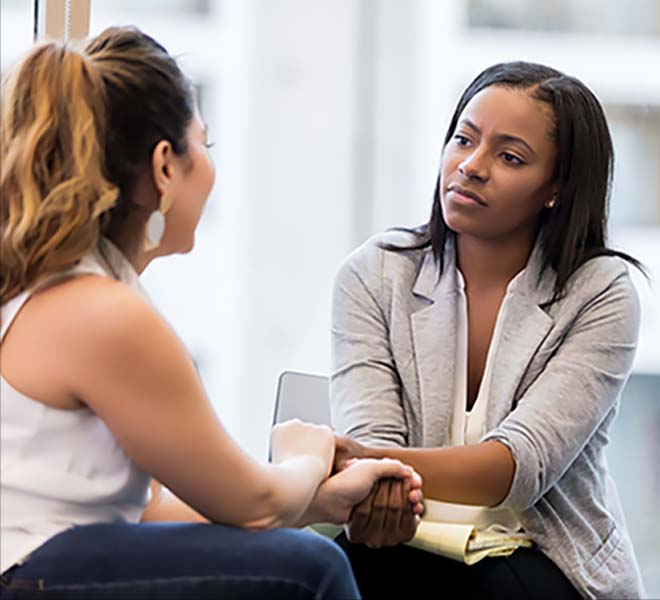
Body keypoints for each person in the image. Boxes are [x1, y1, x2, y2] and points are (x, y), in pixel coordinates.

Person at [0, 26, 424, 599]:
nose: (211, 167)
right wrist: (306, 454)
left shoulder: (66, 288)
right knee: (312, 570)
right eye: (206, 145)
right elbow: (254, 502)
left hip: (47, 566)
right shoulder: (101, 313)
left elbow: (146, 513)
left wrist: (316, 500)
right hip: (30, 573)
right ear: (165, 168)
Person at [330, 61, 647, 599]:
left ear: (556, 188)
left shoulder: (602, 291)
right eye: (463, 139)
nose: (471, 166)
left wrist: (355, 465)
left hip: (544, 556)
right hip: (406, 541)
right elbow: (375, 442)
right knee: (321, 566)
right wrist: (372, 475)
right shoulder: (375, 273)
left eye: (509, 157)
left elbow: (518, 468)